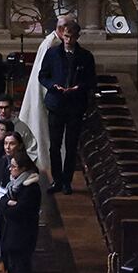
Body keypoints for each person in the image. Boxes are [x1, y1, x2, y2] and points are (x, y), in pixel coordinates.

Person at [35, 18, 97, 193]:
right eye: (65, 36)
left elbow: (91, 80)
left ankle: (67, 181)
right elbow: (43, 75)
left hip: (75, 105)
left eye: (71, 37)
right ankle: (57, 180)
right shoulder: (53, 53)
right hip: (56, 104)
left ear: (77, 37)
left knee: (71, 145)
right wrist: (53, 86)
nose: (68, 40)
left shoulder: (85, 56)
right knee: (54, 145)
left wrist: (79, 87)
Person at [0, 147, 44, 273]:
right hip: (11, 234)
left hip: (23, 237)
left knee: (21, 271)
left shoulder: (31, 188)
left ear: (23, 169)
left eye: (14, 166)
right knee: (12, 270)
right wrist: (8, 204)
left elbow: (18, 212)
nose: (10, 169)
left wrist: (10, 206)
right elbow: (2, 201)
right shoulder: (14, 184)